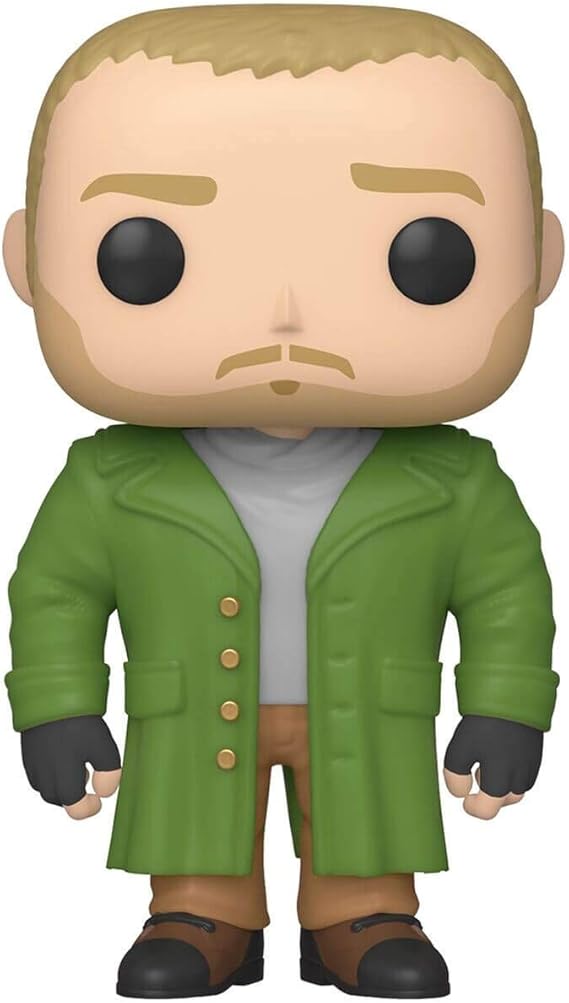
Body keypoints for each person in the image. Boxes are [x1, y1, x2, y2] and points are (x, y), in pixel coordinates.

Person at [3, 5, 563, 998]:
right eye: (146, 254)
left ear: (537, 262)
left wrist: (506, 705)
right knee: (194, 826)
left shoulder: (455, 482)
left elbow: (507, 595)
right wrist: (55, 707)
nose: (285, 318)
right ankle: (198, 914)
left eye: (424, 254)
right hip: (187, 711)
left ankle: (363, 913)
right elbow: (54, 593)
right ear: (27, 263)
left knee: (365, 819)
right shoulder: (108, 480)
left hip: (371, 709)